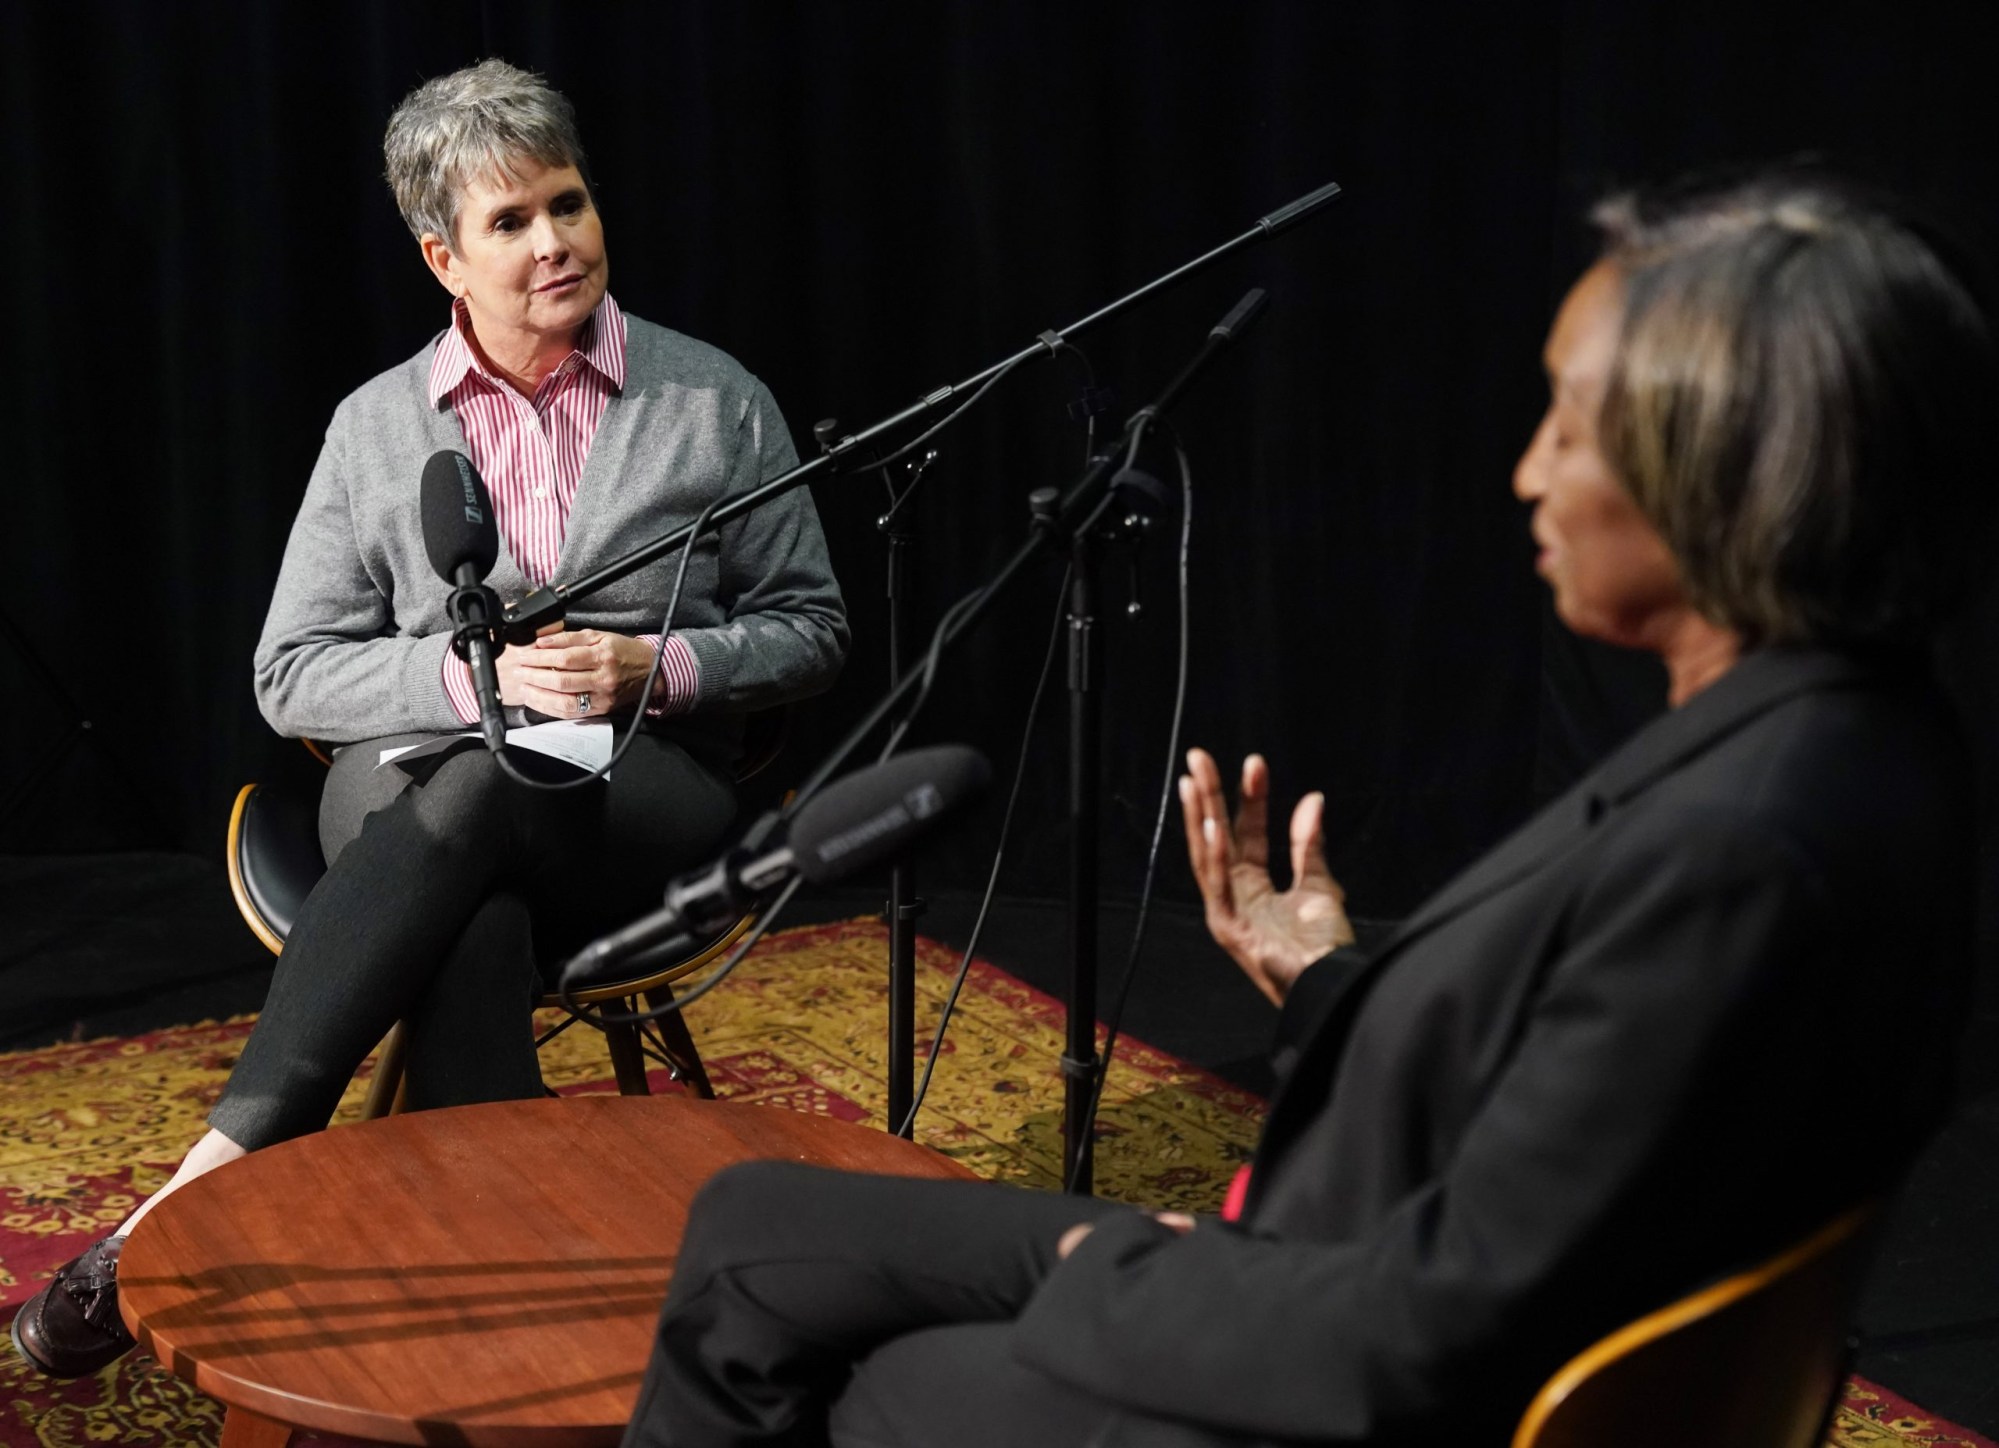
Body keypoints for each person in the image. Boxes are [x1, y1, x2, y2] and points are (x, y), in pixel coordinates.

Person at [616, 173, 1995, 1447]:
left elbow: (1440, 1328)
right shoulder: (1860, 747)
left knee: (869, 1383)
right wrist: (1330, 980)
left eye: (1573, 426)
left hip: (1331, 1354)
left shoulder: (1748, 847)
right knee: (748, 1221)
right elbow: (1600, 1103)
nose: (1529, 473)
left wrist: (1111, 1272)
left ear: (1731, 468)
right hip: (1337, 1268)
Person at [11, 59, 847, 1381]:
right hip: (408, 771)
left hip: (636, 787)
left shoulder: (712, 399)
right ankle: (516, 1321)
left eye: (566, 203)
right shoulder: (375, 428)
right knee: (470, 883)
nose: (554, 242)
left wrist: (657, 667)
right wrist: (472, 688)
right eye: (509, 223)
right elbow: (293, 674)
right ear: (441, 257)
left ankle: (195, 1195)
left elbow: (814, 630)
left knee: (487, 798)